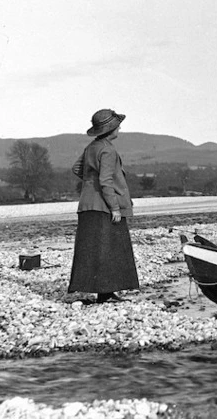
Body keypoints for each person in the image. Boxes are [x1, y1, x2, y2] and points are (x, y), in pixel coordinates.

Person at [68, 109, 139, 303]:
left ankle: (103, 292)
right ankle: (106, 293)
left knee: (92, 248)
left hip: (87, 205)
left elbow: (77, 169)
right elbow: (106, 181)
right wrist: (115, 207)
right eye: (118, 126)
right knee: (111, 248)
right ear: (111, 129)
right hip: (104, 207)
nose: (120, 128)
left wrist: (90, 184)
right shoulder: (108, 149)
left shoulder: (92, 147)